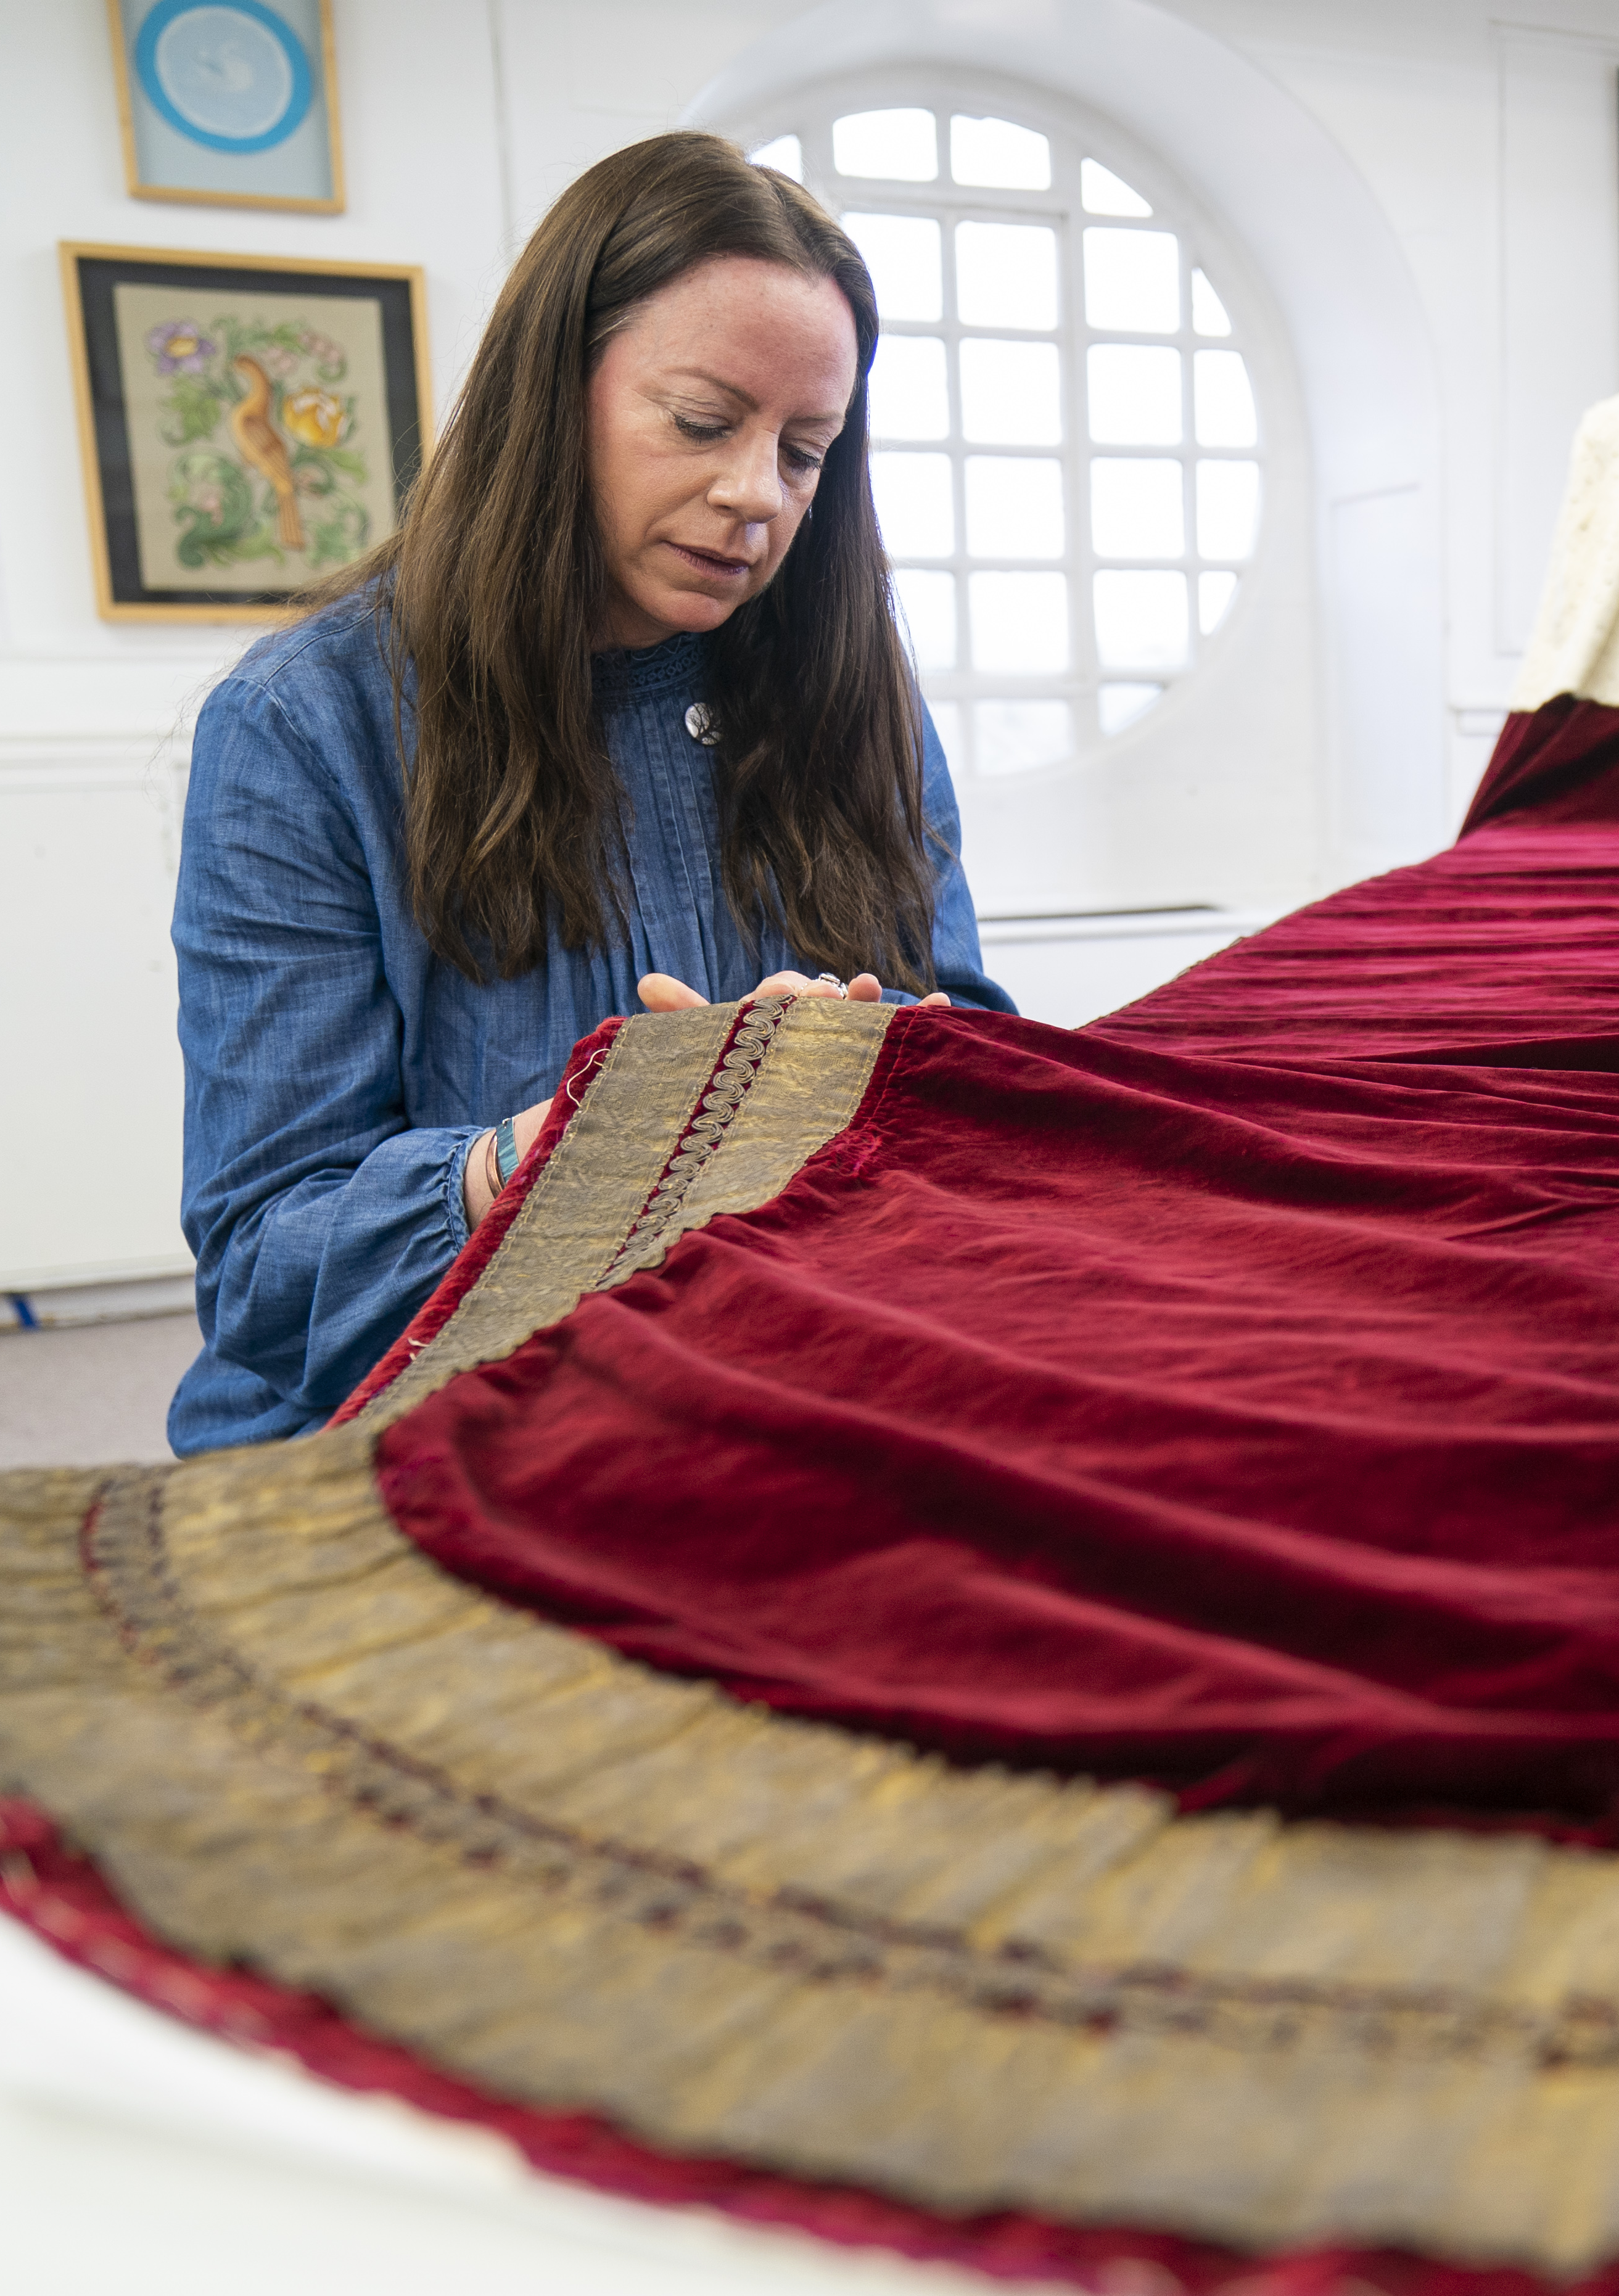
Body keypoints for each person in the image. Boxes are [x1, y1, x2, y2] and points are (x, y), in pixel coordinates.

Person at [170, 131, 1009, 1454]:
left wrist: (871, 1052)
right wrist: (547, 1153)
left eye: (805, 451)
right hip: (423, 1420)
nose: (754, 497)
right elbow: (269, 1273)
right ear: (554, 388)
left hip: (766, 1376)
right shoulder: (304, 724)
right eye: (699, 422)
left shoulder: (854, 688)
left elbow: (978, 1063)